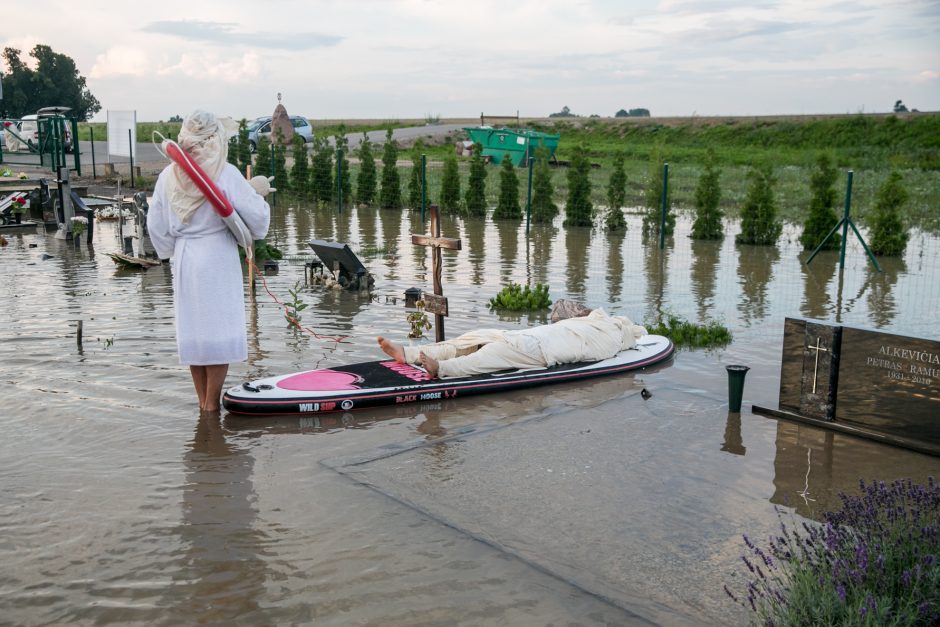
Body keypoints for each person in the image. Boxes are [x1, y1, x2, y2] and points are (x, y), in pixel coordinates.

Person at [148, 110, 271, 412]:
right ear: (214, 139)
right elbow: (258, 220)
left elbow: (156, 227)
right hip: (217, 255)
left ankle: (203, 403)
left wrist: (170, 252)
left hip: (186, 258)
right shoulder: (224, 173)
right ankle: (211, 406)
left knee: (195, 333)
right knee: (218, 331)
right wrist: (258, 196)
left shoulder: (168, 176)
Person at [377, 307, 647, 379]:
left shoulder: (611, 338)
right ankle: (408, 352)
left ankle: (443, 369)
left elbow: (594, 351)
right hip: (528, 336)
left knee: (489, 356)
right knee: (476, 338)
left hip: (542, 351)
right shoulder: (592, 322)